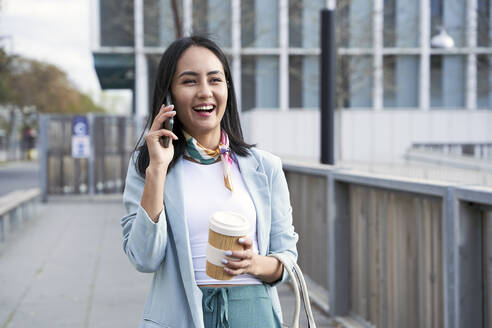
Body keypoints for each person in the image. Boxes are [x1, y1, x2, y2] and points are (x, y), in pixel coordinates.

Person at [121, 35, 298, 328]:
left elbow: (286, 258)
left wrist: (254, 263)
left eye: (215, 80)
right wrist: (157, 172)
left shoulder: (265, 167)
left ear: (227, 88)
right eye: (189, 81)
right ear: (169, 96)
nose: (205, 92)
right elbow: (144, 258)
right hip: (183, 316)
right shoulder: (149, 165)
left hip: (254, 314)